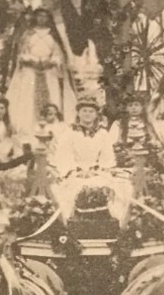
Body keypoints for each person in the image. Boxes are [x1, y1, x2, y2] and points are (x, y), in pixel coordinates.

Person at [48, 94, 133, 224]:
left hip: (97, 171)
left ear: (96, 114)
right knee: (70, 191)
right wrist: (75, 170)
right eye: (84, 111)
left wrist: (97, 170)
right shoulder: (69, 132)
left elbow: (107, 157)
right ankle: (71, 225)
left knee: (119, 188)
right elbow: (64, 156)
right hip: (75, 172)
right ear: (78, 113)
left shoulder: (102, 133)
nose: (88, 114)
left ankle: (113, 225)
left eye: (91, 111)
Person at [4, 8, 74, 139]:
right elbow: (21, 53)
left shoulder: (53, 35)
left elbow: (59, 54)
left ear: (48, 18)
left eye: (45, 16)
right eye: (39, 16)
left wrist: (51, 61)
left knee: (52, 96)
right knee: (28, 98)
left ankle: (52, 130)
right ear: (35, 18)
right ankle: (28, 130)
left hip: (49, 72)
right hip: (31, 71)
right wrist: (33, 60)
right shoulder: (28, 34)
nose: (42, 19)